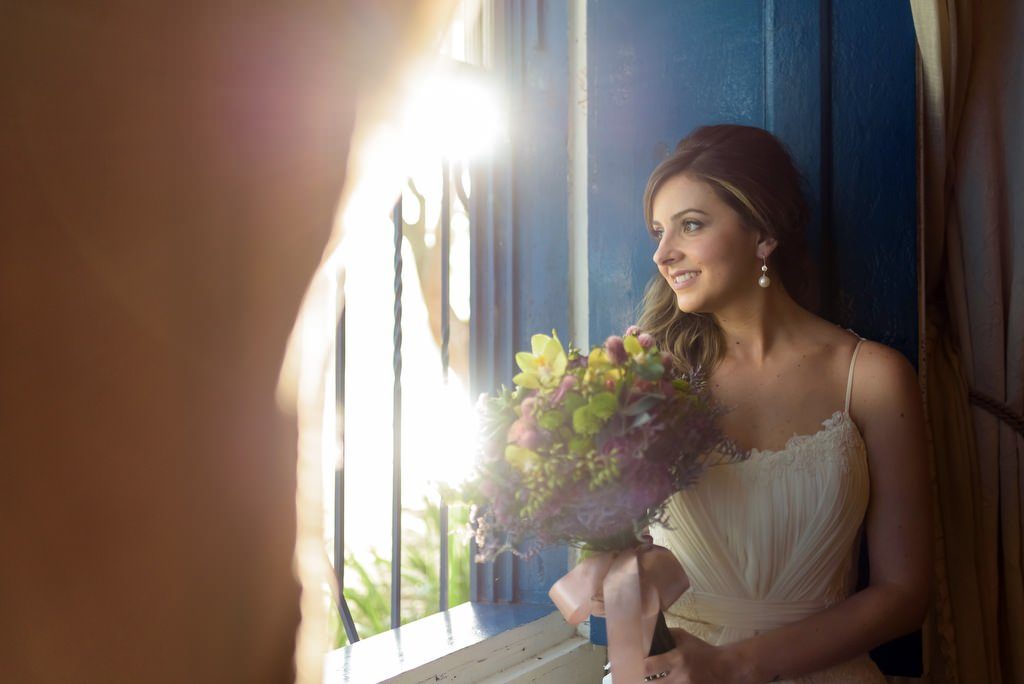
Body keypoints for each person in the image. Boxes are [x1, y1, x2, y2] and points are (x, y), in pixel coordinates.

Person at [636, 125, 931, 683]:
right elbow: (622, 551)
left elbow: (905, 594)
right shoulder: (652, 379)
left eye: (690, 225)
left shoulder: (872, 378)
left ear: (764, 235)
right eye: (657, 231)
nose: (662, 253)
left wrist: (734, 665)